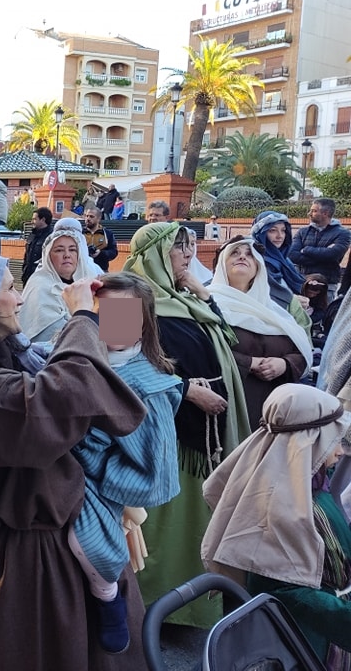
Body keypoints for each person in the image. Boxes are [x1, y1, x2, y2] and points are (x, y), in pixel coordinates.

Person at [0, 252, 150, 669]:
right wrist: (82, 320)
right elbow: (61, 398)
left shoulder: (17, 357)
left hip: (71, 536)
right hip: (38, 556)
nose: (19, 300)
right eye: (9, 290)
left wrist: (109, 308)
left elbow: (100, 367)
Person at [123, 221, 249, 628]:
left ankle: (189, 610)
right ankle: (146, 609)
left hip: (202, 435)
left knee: (194, 524)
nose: (188, 255)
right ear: (155, 253)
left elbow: (228, 340)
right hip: (159, 434)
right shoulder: (121, 296)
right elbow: (115, 368)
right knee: (159, 526)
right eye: (178, 248)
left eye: (191, 246)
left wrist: (202, 292)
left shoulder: (185, 298)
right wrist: (185, 390)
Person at [65, 272, 181, 653]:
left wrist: (92, 464)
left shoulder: (147, 385)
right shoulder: (79, 356)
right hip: (60, 474)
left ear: (144, 322)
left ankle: (107, 597)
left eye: (125, 313)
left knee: (86, 543)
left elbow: (156, 469)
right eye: (103, 311)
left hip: (99, 487)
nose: (113, 320)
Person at [201, 383, 351, 667]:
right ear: (309, 443)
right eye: (334, 440)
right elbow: (291, 592)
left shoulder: (309, 486)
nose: (341, 451)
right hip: (303, 640)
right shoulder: (280, 510)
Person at [207, 237, 312, 430]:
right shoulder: (206, 305)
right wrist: (249, 363)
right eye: (235, 253)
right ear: (222, 264)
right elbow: (201, 350)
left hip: (275, 410)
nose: (242, 258)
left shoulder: (276, 310)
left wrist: (284, 364)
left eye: (249, 255)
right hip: (229, 406)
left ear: (259, 268)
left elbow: (303, 351)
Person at [19, 226, 99, 344]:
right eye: (59, 250)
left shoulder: (91, 276)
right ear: (48, 257)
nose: (67, 255)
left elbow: (122, 332)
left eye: (72, 250)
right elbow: (54, 337)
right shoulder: (39, 285)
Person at [289, 198, 351, 302]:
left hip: (326, 286)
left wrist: (306, 250)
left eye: (314, 210)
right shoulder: (302, 231)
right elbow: (292, 255)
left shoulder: (343, 233)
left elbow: (333, 255)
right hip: (302, 284)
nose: (309, 213)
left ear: (325, 213)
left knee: (324, 317)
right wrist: (323, 256)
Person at [20, 206, 53, 285]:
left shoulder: (50, 237)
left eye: (35, 219)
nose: (32, 221)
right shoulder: (33, 234)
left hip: (42, 279)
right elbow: (27, 254)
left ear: (43, 220)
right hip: (28, 276)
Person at [82, 205, 118, 272]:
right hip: (83, 270)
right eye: (86, 216)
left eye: (91, 216)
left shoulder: (107, 234)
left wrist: (101, 253)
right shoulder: (80, 233)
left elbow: (114, 252)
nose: (88, 219)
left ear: (98, 218)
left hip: (102, 270)